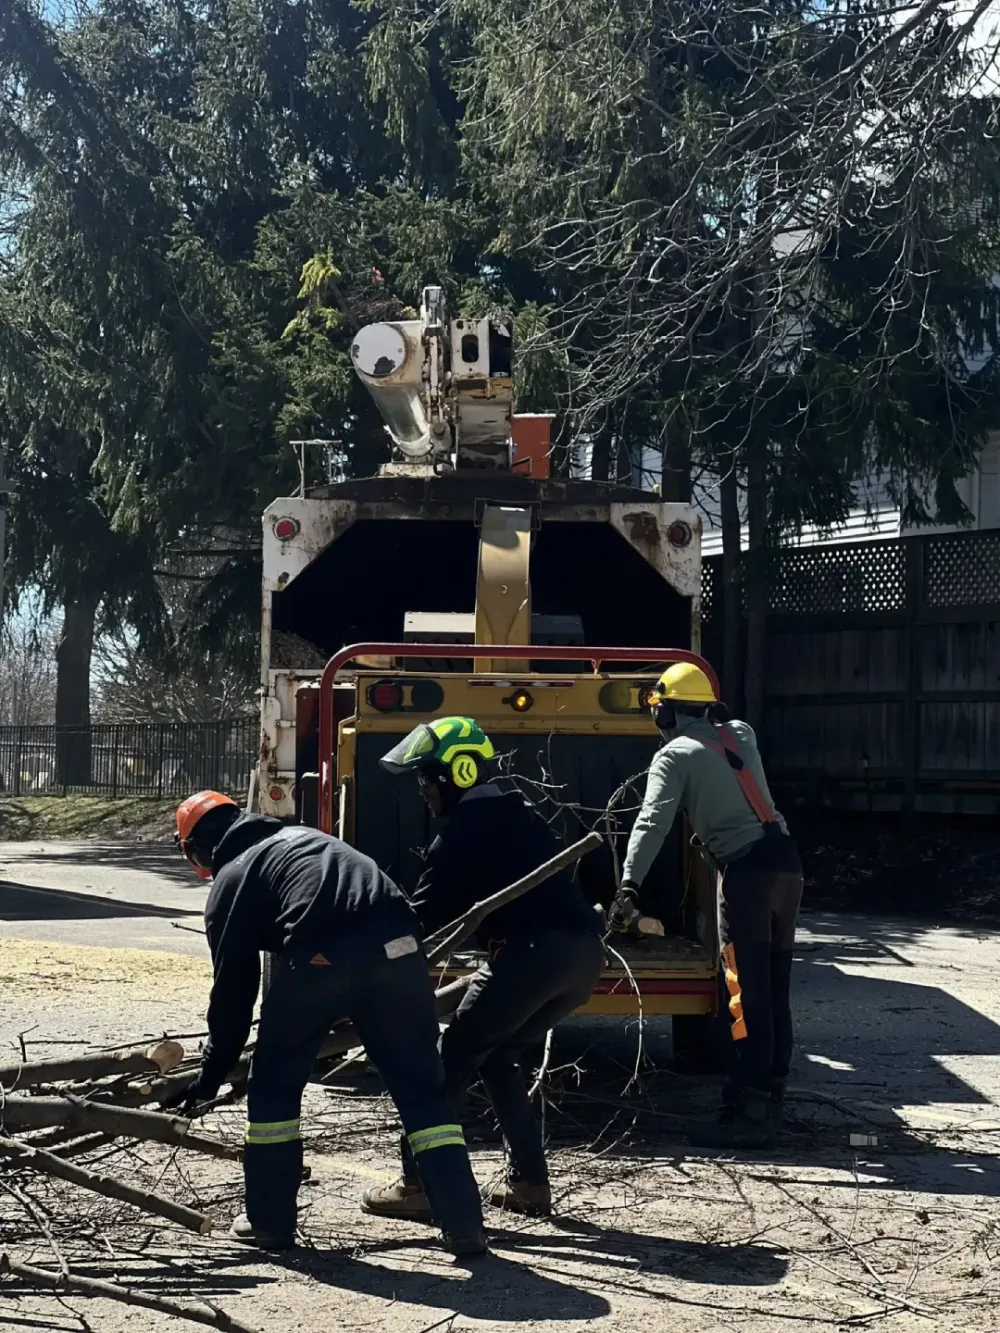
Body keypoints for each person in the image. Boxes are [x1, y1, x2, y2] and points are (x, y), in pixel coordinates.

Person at [167, 789, 487, 1254]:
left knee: (274, 1083)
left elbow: (235, 993)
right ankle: (464, 1224)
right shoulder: (310, 841)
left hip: (323, 955)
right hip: (401, 948)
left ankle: (269, 1223)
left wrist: (209, 1077)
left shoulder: (232, 878)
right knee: (421, 1088)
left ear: (195, 851)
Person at [361, 717, 605, 1220]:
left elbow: (422, 920)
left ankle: (419, 1184)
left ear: (460, 772)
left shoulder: (462, 835)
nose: (424, 791)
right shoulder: (523, 813)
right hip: (582, 959)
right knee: (499, 1055)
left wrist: (365, 956)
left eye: (427, 779)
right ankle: (530, 1185)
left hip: (530, 955)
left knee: (451, 1058)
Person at [609, 664, 803, 1148]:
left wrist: (628, 886)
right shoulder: (742, 734)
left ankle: (749, 1111)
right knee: (774, 984)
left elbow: (653, 822)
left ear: (669, 711)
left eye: (659, 708)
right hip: (787, 865)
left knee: (744, 989)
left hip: (746, 876)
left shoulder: (674, 755)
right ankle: (771, 1093)